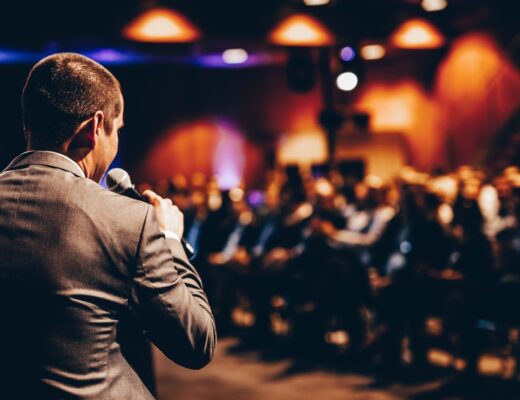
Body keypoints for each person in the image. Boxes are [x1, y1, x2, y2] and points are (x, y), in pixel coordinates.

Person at [0, 53, 216, 399]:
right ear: (95, 127)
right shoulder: (127, 219)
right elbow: (196, 342)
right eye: (118, 130)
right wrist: (171, 239)